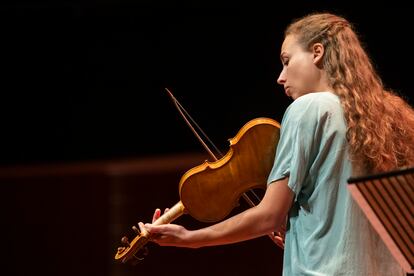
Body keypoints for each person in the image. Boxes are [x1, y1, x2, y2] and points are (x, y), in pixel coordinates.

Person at [139, 12, 414, 275]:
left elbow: (268, 216)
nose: (280, 77)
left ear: (317, 53)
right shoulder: (386, 118)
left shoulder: (308, 108)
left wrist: (192, 238)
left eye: (287, 60)